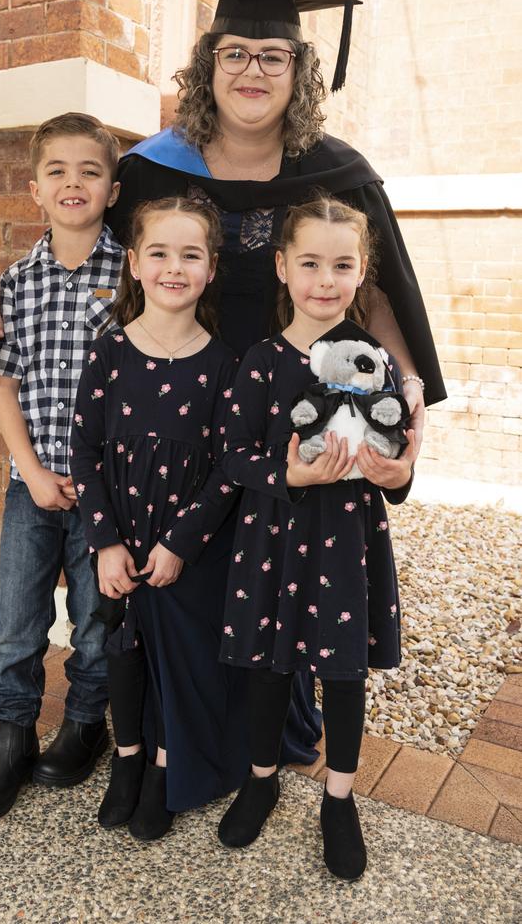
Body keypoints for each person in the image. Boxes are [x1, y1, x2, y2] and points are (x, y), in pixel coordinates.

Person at [0, 0, 446, 765]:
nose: (253, 70)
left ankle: (260, 747)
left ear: (301, 72)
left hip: (288, 417)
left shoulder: (337, 174)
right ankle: (173, 740)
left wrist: (408, 378)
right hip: (171, 413)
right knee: (179, 579)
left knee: (275, 576)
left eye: (273, 56)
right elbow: (86, 252)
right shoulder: (152, 166)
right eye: (235, 53)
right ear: (208, 66)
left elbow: (379, 290)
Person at [215, 196, 415, 880]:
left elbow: (394, 462)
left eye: (342, 265)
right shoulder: (263, 363)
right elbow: (233, 455)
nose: (325, 280)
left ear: (361, 273)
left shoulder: (375, 364)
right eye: (309, 263)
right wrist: (289, 474)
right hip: (274, 534)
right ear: (281, 267)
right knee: (271, 666)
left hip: (347, 541)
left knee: (341, 671)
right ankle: (263, 777)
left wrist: (399, 473)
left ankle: (339, 798)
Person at [0, 113, 124, 820]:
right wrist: (28, 468)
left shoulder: (135, 274)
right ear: (34, 189)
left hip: (108, 491)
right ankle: (12, 736)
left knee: (96, 621)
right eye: (57, 170)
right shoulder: (11, 282)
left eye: (90, 170)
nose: (73, 182)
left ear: (113, 189)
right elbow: (2, 384)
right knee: (16, 618)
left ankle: (85, 725)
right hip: (31, 481)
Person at [70, 196, 246, 839]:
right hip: (122, 536)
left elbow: (230, 467)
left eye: (190, 254)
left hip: (185, 549)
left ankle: (166, 771)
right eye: (160, 253)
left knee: (177, 658)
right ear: (136, 265)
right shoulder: (109, 351)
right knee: (122, 648)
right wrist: (104, 541)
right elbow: (83, 449)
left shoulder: (225, 364)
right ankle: (127, 760)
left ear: (210, 268)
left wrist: (179, 545)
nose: (175, 267)